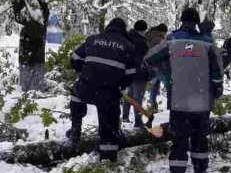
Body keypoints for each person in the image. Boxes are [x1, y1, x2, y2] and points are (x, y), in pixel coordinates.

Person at [144, 7, 223, 173]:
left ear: (181, 21)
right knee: (200, 142)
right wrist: (217, 90)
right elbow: (217, 71)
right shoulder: (207, 42)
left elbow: (149, 59)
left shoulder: (171, 40)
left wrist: (169, 76)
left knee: (179, 144)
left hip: (179, 102)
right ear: (197, 22)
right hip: (202, 103)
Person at [65, 18, 135, 162]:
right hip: (109, 93)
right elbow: (130, 74)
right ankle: (107, 161)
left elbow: (74, 60)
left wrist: (86, 72)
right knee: (109, 129)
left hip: (86, 87)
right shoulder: (128, 46)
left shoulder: (93, 39)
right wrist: (119, 85)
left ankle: (75, 130)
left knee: (76, 94)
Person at [121, 20, 150, 128]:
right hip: (139, 73)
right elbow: (144, 59)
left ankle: (125, 117)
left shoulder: (127, 38)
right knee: (138, 98)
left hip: (128, 73)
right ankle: (138, 121)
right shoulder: (142, 42)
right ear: (143, 30)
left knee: (129, 95)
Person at [145, 23, 169, 110]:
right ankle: (170, 106)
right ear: (163, 32)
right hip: (158, 65)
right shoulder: (159, 38)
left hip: (149, 64)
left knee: (154, 85)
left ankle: (152, 104)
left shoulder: (149, 35)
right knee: (168, 84)